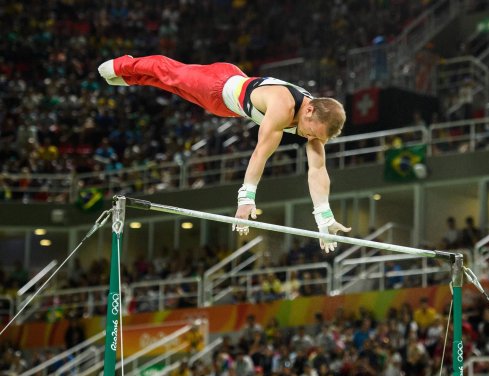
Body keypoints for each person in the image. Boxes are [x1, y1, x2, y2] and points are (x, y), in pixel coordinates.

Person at [98, 55, 351, 253]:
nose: (310, 139)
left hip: (229, 100)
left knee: (171, 86)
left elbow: (317, 170)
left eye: (318, 138)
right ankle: (125, 64)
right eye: (312, 132)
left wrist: (324, 217)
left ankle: (131, 77)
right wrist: (246, 199)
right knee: (170, 73)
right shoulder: (283, 107)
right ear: (309, 111)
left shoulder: (315, 124)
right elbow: (261, 152)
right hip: (217, 86)